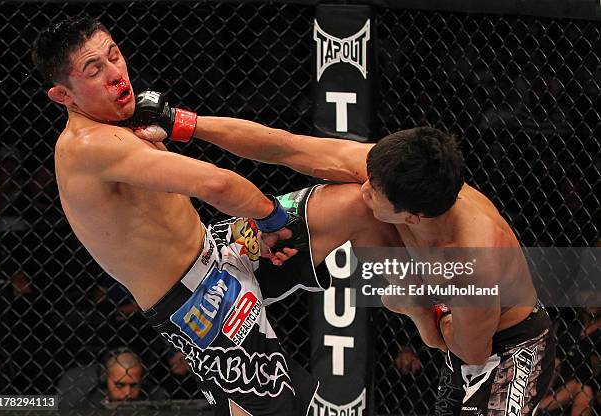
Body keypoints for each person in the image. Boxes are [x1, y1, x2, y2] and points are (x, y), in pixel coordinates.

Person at [32, 17, 398, 416]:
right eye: (93, 69)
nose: (115, 73)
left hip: (219, 244)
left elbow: (277, 145)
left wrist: (179, 122)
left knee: (361, 205)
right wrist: (272, 220)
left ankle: (427, 314)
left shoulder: (127, 118)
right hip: (196, 303)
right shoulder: (90, 148)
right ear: (62, 95)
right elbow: (217, 186)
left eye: (114, 55)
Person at [132, 111, 557, 415]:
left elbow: (468, 350)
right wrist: (181, 122)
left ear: (412, 216)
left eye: (378, 192)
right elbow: (284, 146)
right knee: (350, 203)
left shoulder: (473, 260)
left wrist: (419, 312)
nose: (366, 188)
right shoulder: (393, 179)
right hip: (446, 305)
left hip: (505, 350)